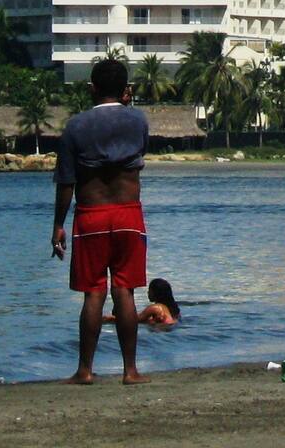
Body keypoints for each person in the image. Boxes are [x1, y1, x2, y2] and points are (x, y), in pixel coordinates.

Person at [52, 58, 152, 384]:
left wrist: (58, 225)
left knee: (93, 294)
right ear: (126, 91)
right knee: (125, 291)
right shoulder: (137, 121)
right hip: (128, 213)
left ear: (91, 88)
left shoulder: (76, 127)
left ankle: (85, 370)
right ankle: (130, 371)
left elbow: (66, 182)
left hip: (91, 216)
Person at [103, 277, 180, 328]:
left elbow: (133, 320)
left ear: (156, 292)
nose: (147, 292)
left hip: (164, 331)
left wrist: (110, 318)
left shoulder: (155, 308)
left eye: (150, 290)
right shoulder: (171, 310)